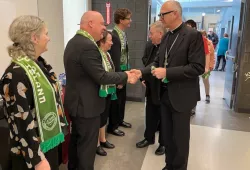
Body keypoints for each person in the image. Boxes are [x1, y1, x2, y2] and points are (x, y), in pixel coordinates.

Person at [131, 1, 205, 169]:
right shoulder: (167, 36)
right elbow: (157, 62)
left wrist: (167, 73)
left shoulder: (192, 36)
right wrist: (142, 72)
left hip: (182, 96)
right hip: (164, 95)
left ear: (175, 14)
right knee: (168, 135)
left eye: (163, 14)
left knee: (179, 138)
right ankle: (169, 164)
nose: (160, 18)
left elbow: (197, 67)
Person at [63, 11, 137, 170]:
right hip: (86, 106)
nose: (104, 28)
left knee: (77, 143)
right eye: (102, 24)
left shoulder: (74, 41)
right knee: (87, 150)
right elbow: (102, 76)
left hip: (77, 104)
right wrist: (125, 75)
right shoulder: (88, 46)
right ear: (90, 23)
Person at [0, 15, 68, 170]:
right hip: (29, 154)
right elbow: (21, 121)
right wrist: (37, 159)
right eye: (46, 33)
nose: (49, 38)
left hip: (46, 142)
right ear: (34, 38)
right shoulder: (15, 75)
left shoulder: (40, 65)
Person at [136, 21, 165, 156]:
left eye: (151, 33)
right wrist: (143, 78)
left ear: (160, 34)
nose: (149, 36)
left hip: (163, 87)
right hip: (151, 85)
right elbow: (146, 62)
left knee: (164, 117)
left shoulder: (167, 47)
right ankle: (149, 138)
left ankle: (163, 144)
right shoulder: (150, 45)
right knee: (150, 113)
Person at [107, 8, 133, 137]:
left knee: (122, 98)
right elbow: (116, 59)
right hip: (118, 72)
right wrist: (119, 79)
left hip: (124, 70)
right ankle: (113, 126)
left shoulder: (122, 33)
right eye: (128, 18)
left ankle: (120, 120)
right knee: (116, 100)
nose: (130, 21)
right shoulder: (115, 36)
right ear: (121, 20)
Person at [96, 31, 116, 156]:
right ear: (102, 41)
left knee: (104, 116)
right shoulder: (97, 54)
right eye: (110, 40)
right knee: (99, 117)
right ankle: (96, 144)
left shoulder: (107, 54)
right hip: (100, 91)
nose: (112, 43)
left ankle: (102, 139)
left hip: (108, 89)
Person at [200, 30, 215, 103]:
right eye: (201, 35)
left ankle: (207, 95)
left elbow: (212, 56)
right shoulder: (197, 43)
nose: (203, 36)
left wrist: (211, 65)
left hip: (206, 66)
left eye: (204, 35)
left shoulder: (210, 43)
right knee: (195, 82)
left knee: (206, 81)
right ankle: (195, 97)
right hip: (197, 66)